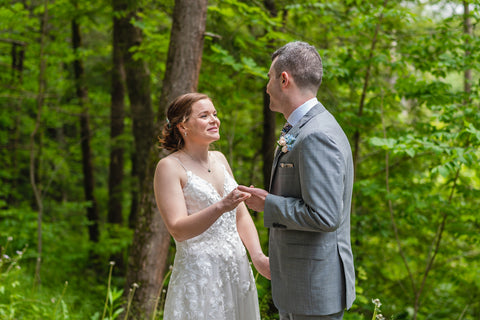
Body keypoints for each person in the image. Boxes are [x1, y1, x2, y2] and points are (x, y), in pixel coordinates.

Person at [238, 41, 356, 320]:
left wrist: (268, 204)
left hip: (313, 291)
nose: (266, 86)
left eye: (269, 77)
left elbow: (326, 216)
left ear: (284, 79)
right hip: (300, 285)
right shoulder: (304, 127)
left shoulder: (316, 135)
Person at [153, 92, 270, 320]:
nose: (214, 120)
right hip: (200, 276)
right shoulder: (169, 167)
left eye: (214, 114)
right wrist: (220, 207)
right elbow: (177, 229)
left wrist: (257, 257)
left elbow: (241, 216)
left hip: (237, 270)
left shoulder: (220, 159)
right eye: (204, 115)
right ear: (182, 126)